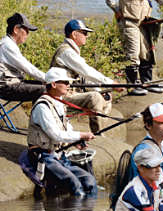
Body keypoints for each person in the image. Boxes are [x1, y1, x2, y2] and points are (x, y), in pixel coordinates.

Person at [27, 68, 96, 197]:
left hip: (59, 156)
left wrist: (77, 141)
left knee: (90, 181)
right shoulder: (42, 107)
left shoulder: (59, 103)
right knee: (74, 183)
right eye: (65, 82)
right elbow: (56, 134)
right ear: (53, 84)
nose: (68, 85)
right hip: (44, 157)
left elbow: (66, 128)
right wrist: (82, 135)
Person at [49, 19, 124, 133]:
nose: (87, 36)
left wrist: (101, 89)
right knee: (95, 97)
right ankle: (98, 134)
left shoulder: (72, 51)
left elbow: (84, 77)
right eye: (84, 33)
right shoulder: (67, 52)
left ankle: (99, 129)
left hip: (71, 92)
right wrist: (111, 83)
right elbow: (87, 71)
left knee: (103, 94)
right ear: (74, 34)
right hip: (61, 96)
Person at [106, 0, 163, 95]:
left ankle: (147, 82)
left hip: (144, 23)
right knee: (133, 53)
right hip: (128, 22)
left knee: (147, 53)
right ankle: (132, 85)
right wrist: (117, 10)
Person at [0, 13, 45, 102]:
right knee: (46, 90)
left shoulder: (9, 43)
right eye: (26, 30)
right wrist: (49, 78)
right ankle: (39, 115)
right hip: (5, 87)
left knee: (45, 86)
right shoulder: (7, 45)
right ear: (16, 29)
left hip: (11, 83)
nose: (27, 34)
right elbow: (27, 67)